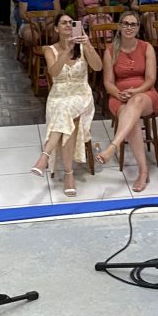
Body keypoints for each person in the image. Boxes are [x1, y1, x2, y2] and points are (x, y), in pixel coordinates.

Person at [29, 13, 102, 196]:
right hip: (59, 96)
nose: (69, 25)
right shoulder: (49, 50)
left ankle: (45, 157)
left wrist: (87, 44)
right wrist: (67, 51)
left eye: (71, 22)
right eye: (64, 23)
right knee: (68, 118)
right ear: (56, 28)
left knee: (65, 112)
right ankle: (69, 174)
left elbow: (98, 67)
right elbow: (54, 73)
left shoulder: (83, 47)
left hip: (81, 94)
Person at [95, 11, 158, 192]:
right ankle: (143, 170)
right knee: (131, 119)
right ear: (119, 26)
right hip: (119, 96)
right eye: (125, 24)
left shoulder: (147, 48)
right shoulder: (110, 51)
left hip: (145, 93)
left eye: (133, 24)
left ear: (138, 28)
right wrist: (118, 93)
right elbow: (108, 82)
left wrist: (135, 91)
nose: (129, 27)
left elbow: (150, 79)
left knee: (137, 101)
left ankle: (112, 147)